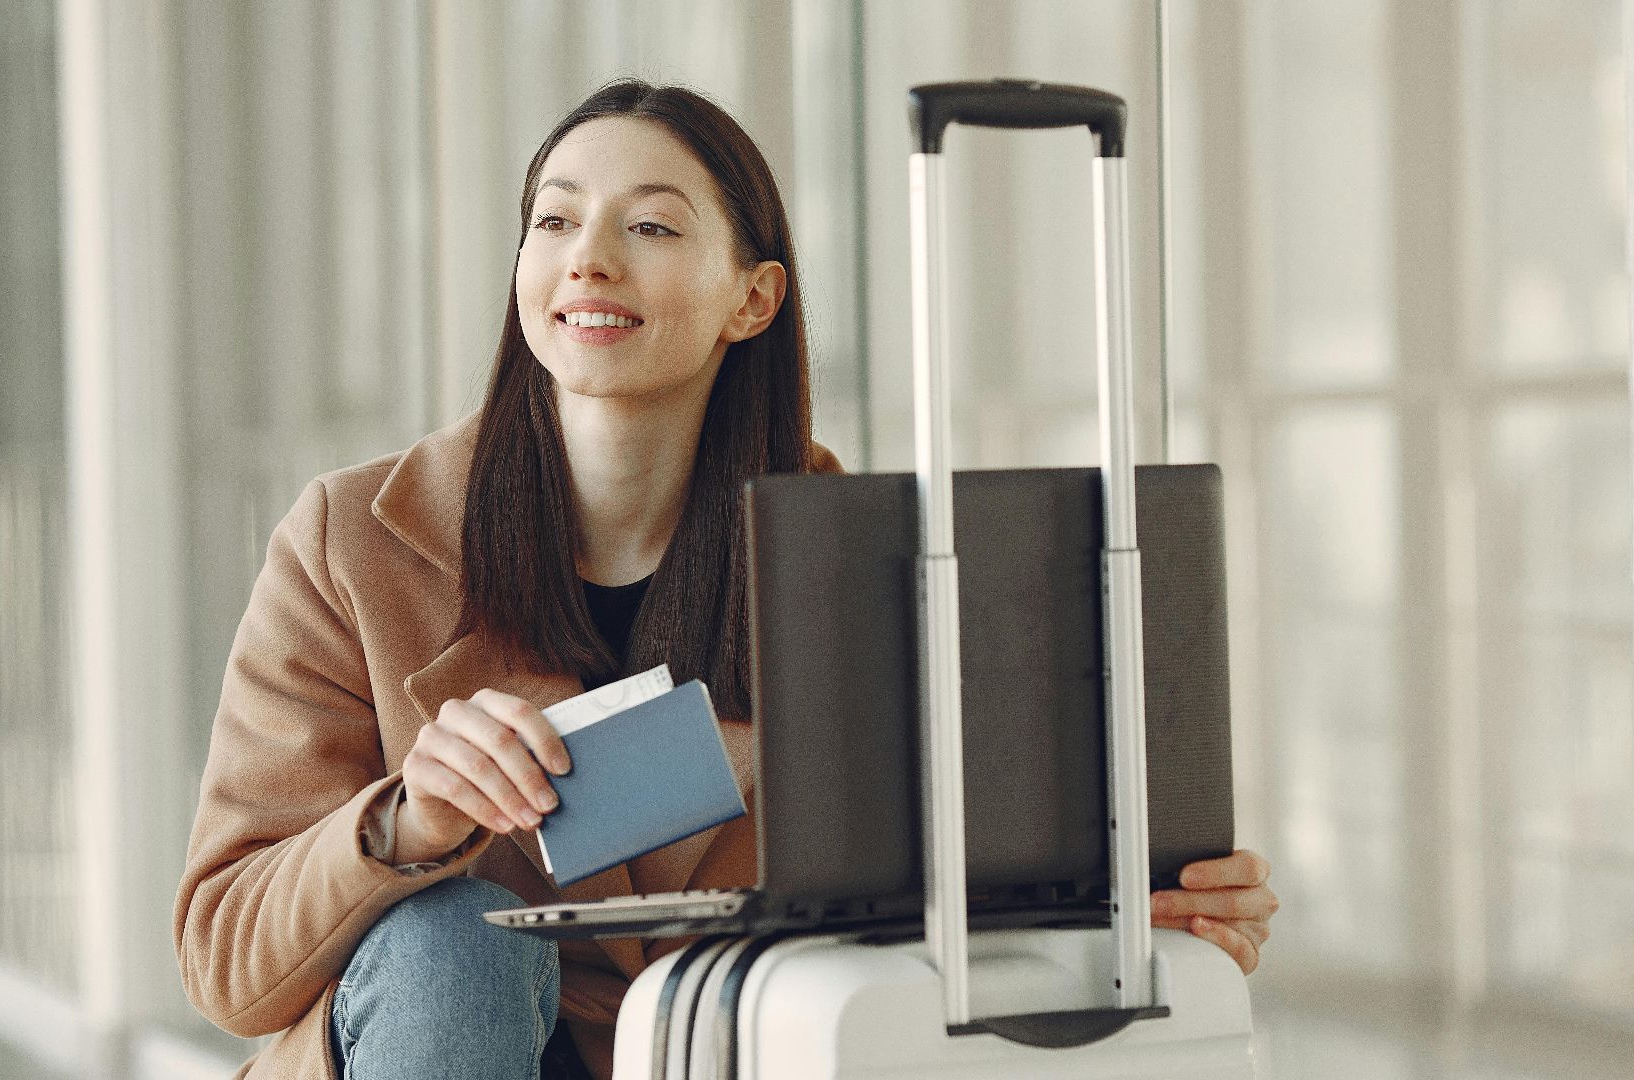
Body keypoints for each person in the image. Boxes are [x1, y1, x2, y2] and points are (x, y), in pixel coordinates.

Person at [173, 78, 1276, 1080]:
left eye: (649, 226)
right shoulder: (353, 543)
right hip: (452, 1043)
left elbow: (947, 897)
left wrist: (1138, 909)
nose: (587, 259)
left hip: (716, 1052)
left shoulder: (870, 567)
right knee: (453, 944)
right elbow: (229, 965)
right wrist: (403, 828)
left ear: (751, 301)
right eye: (553, 221)